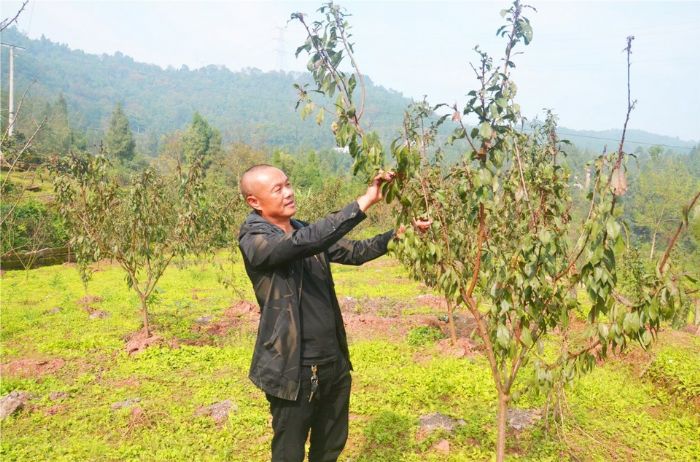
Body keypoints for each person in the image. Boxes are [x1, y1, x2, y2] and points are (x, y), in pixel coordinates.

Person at [238, 164, 428, 461]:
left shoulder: (303, 230)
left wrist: (401, 233)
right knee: (289, 452)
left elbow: (356, 252)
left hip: (333, 362)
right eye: (278, 189)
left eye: (288, 184)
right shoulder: (254, 239)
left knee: (329, 447)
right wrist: (364, 201)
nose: (289, 193)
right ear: (255, 201)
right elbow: (304, 243)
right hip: (292, 370)